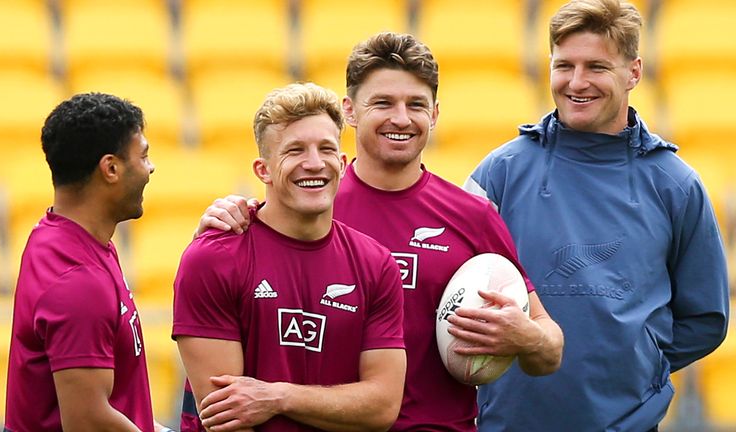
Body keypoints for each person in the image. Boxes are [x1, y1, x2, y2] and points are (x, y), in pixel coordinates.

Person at [194, 32, 564, 431]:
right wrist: (221, 223)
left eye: (416, 105)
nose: (401, 119)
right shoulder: (309, 204)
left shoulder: (471, 216)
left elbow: (549, 347)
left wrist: (525, 336)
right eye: (383, 103)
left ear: (435, 114)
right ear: (350, 110)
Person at [462, 0, 730, 430]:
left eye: (597, 67)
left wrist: (634, 365)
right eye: (564, 65)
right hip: (508, 423)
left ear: (634, 72)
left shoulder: (675, 185)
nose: (577, 82)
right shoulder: (499, 173)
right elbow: (450, 292)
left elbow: (706, 319)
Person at [173, 82, 407, 432]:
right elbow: (228, 417)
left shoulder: (376, 265)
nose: (314, 164)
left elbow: (382, 407)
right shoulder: (213, 258)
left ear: (342, 164)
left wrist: (278, 396)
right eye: (294, 150)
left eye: (326, 149)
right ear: (262, 170)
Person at [4, 93, 171, 431]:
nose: (150, 168)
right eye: (144, 155)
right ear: (111, 168)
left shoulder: (63, 238)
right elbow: (89, 422)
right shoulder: (77, 280)